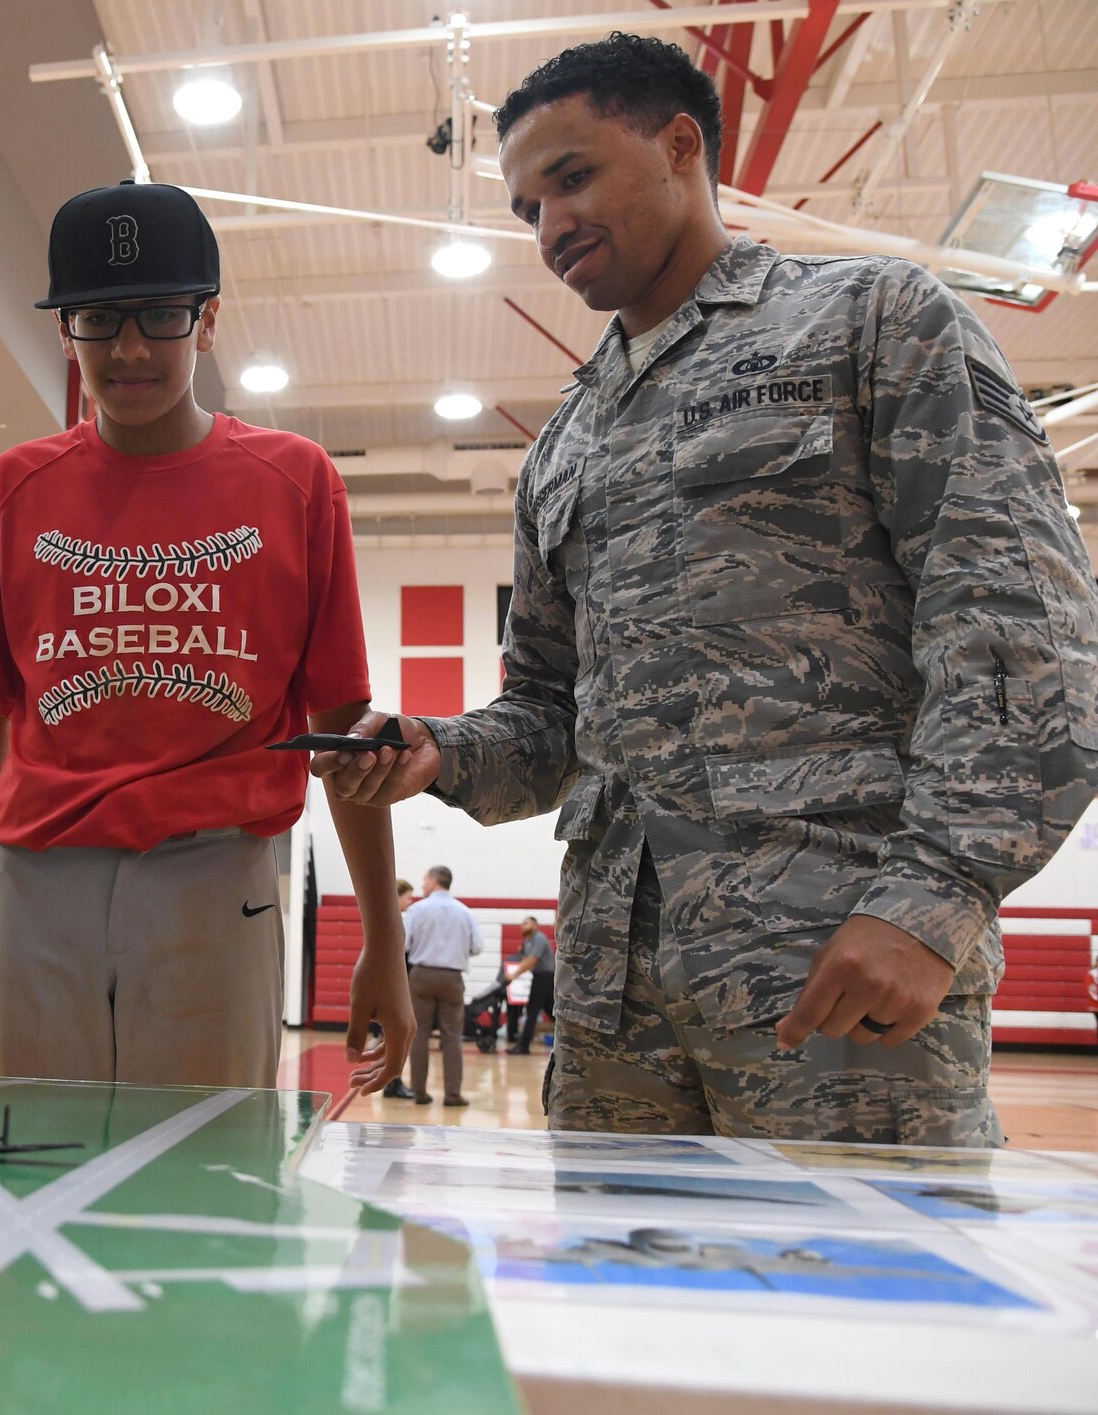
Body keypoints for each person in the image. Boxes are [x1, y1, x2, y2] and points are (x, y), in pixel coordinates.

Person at [312, 33, 1098, 1146]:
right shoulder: (565, 442)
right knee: (623, 1313)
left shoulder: (869, 321)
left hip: (833, 964)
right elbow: (550, 709)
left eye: (571, 178)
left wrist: (935, 900)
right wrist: (439, 751)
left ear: (680, 145)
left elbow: (1021, 626)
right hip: (611, 1000)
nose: (548, 230)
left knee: (859, 1303)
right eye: (526, 208)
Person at [0, 180, 413, 1093]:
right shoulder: (11, 488)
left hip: (217, 875)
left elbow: (345, 726)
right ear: (66, 330)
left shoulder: (296, 482)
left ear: (210, 320)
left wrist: (383, 935)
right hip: (39, 881)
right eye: (97, 321)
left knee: (206, 1186)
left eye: (160, 314)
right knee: (34, 1164)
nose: (131, 348)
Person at [389, 866, 479, 1107]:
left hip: (422, 975)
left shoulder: (417, 910)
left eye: (424, 881)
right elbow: (477, 947)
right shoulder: (465, 912)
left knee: (419, 1034)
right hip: (452, 977)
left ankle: (419, 1091)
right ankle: (452, 1094)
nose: (422, 885)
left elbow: (404, 944)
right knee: (452, 1036)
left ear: (433, 881)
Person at [507, 915, 554, 1054]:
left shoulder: (539, 938)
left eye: (526, 923)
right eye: (522, 923)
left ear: (535, 925)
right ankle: (570, 1037)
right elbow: (525, 959)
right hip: (540, 977)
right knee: (550, 1010)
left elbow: (532, 960)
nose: (523, 925)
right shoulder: (528, 941)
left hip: (545, 977)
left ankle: (524, 1046)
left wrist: (514, 975)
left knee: (532, 1010)